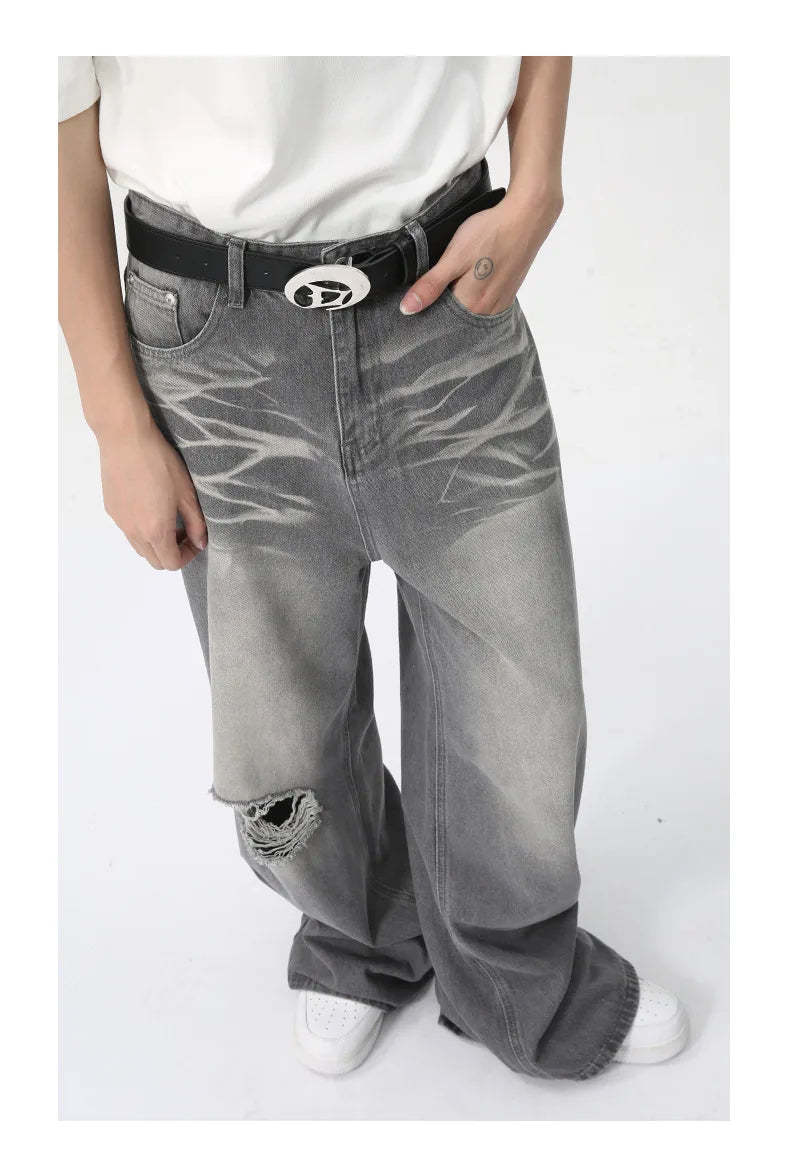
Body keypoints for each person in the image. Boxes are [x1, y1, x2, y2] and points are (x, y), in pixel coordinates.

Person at [58, 56, 688, 1081]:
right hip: (215, 349)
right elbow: (53, 106)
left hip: (445, 302)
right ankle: (357, 934)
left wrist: (537, 180)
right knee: (281, 748)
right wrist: (114, 424)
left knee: (525, 709)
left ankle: (515, 968)